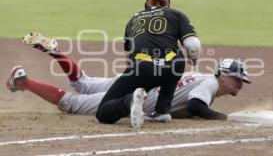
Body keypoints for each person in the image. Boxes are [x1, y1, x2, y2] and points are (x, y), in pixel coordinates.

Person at [6, 33, 250, 121]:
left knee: (84, 82)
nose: (240, 84)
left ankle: (57, 52)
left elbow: (188, 105)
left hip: (136, 80)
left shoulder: (201, 77)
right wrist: (224, 118)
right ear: (224, 75)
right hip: (135, 95)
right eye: (237, 79)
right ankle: (22, 80)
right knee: (71, 103)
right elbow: (196, 106)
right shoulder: (209, 83)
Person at [96, 0, 201, 127]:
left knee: (103, 112)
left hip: (143, 67)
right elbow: (193, 45)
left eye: (161, 3)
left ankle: (130, 101)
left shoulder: (133, 19)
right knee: (176, 58)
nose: (157, 5)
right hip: (172, 67)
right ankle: (163, 110)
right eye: (154, 2)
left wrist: (134, 80)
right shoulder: (176, 14)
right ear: (170, 5)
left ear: (145, 4)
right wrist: (193, 57)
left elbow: (129, 57)